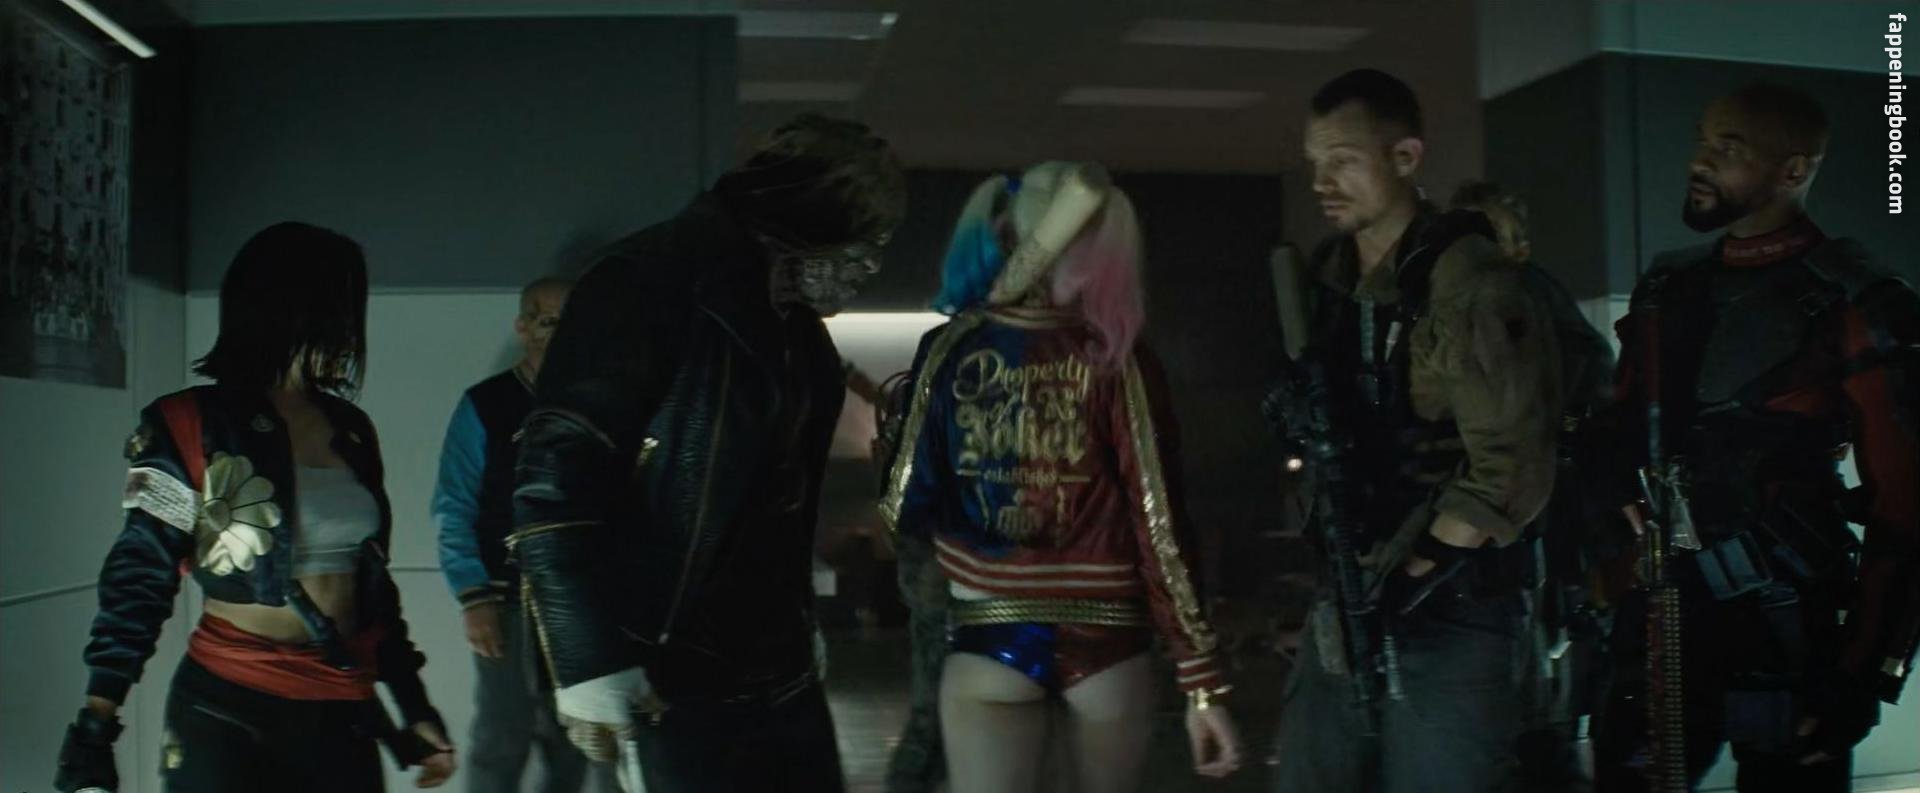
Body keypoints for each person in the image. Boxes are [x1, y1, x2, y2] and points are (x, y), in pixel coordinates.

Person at [510, 113, 906, 793]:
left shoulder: (797, 334)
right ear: (809, 219)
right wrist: (586, 656)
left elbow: (781, 501)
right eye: (862, 245)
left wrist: (799, 621)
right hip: (668, 659)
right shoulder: (649, 283)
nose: (868, 267)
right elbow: (555, 476)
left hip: (772, 658)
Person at [1591, 82, 1920, 793]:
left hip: (1786, 628)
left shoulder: (1856, 298)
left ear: (1792, 170)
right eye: (1702, 140)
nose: (1700, 160)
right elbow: (1620, 431)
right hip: (1661, 615)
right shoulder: (1669, 287)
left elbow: (1906, 501)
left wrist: (1863, 675)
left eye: (1728, 147)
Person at [880, 160, 1243, 793]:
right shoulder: (1119, 359)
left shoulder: (950, 350)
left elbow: (902, 504)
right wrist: (1201, 680)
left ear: (1008, 230)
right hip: (1108, 646)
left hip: (988, 636)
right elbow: (1158, 523)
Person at [55, 222, 457, 792]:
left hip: (340, 707)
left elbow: (372, 588)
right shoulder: (185, 422)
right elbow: (141, 569)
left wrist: (414, 703)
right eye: (338, 307)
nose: (350, 328)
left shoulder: (351, 428)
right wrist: (96, 723)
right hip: (229, 709)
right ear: (289, 306)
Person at [1267, 69, 1563, 793]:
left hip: (1452, 602)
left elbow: (1510, 465)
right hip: (1350, 589)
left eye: (1343, 160)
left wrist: (1418, 571)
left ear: (1405, 157)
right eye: (1314, 162)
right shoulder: (1326, 280)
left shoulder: (1467, 281)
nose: (1322, 181)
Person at [1452, 180, 1619, 793]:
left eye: (1503, 237)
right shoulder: (1470, 304)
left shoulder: (1529, 299)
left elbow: (1585, 391)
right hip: (1506, 527)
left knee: (1541, 695)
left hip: (1544, 527)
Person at [434, 276, 611, 793]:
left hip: (579, 598)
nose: (560, 333)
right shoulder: (485, 405)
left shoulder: (602, 403)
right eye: (549, 320)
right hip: (504, 597)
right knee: (501, 733)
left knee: (574, 734)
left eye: (571, 321)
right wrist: (473, 597)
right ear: (524, 326)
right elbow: (453, 505)